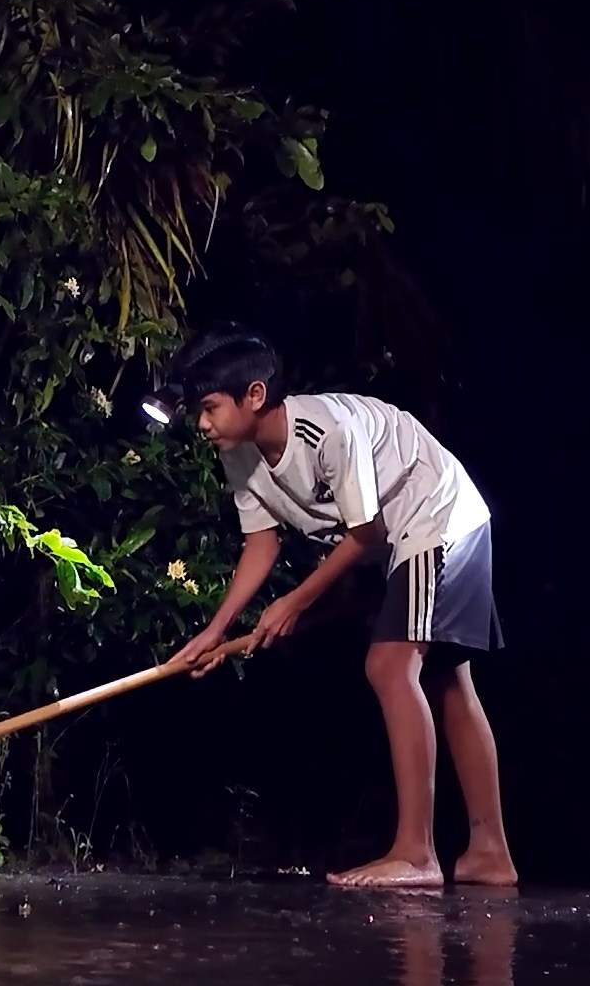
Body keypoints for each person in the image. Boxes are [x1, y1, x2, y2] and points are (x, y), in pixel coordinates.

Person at [163, 323, 518, 889]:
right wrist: (217, 628)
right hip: (414, 535)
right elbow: (262, 543)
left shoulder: (326, 430)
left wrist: (294, 603)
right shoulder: (240, 453)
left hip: (436, 516)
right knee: (449, 680)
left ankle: (416, 853)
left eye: (208, 408)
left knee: (389, 665)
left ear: (255, 395)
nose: (200, 424)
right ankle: (489, 852)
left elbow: (364, 531)